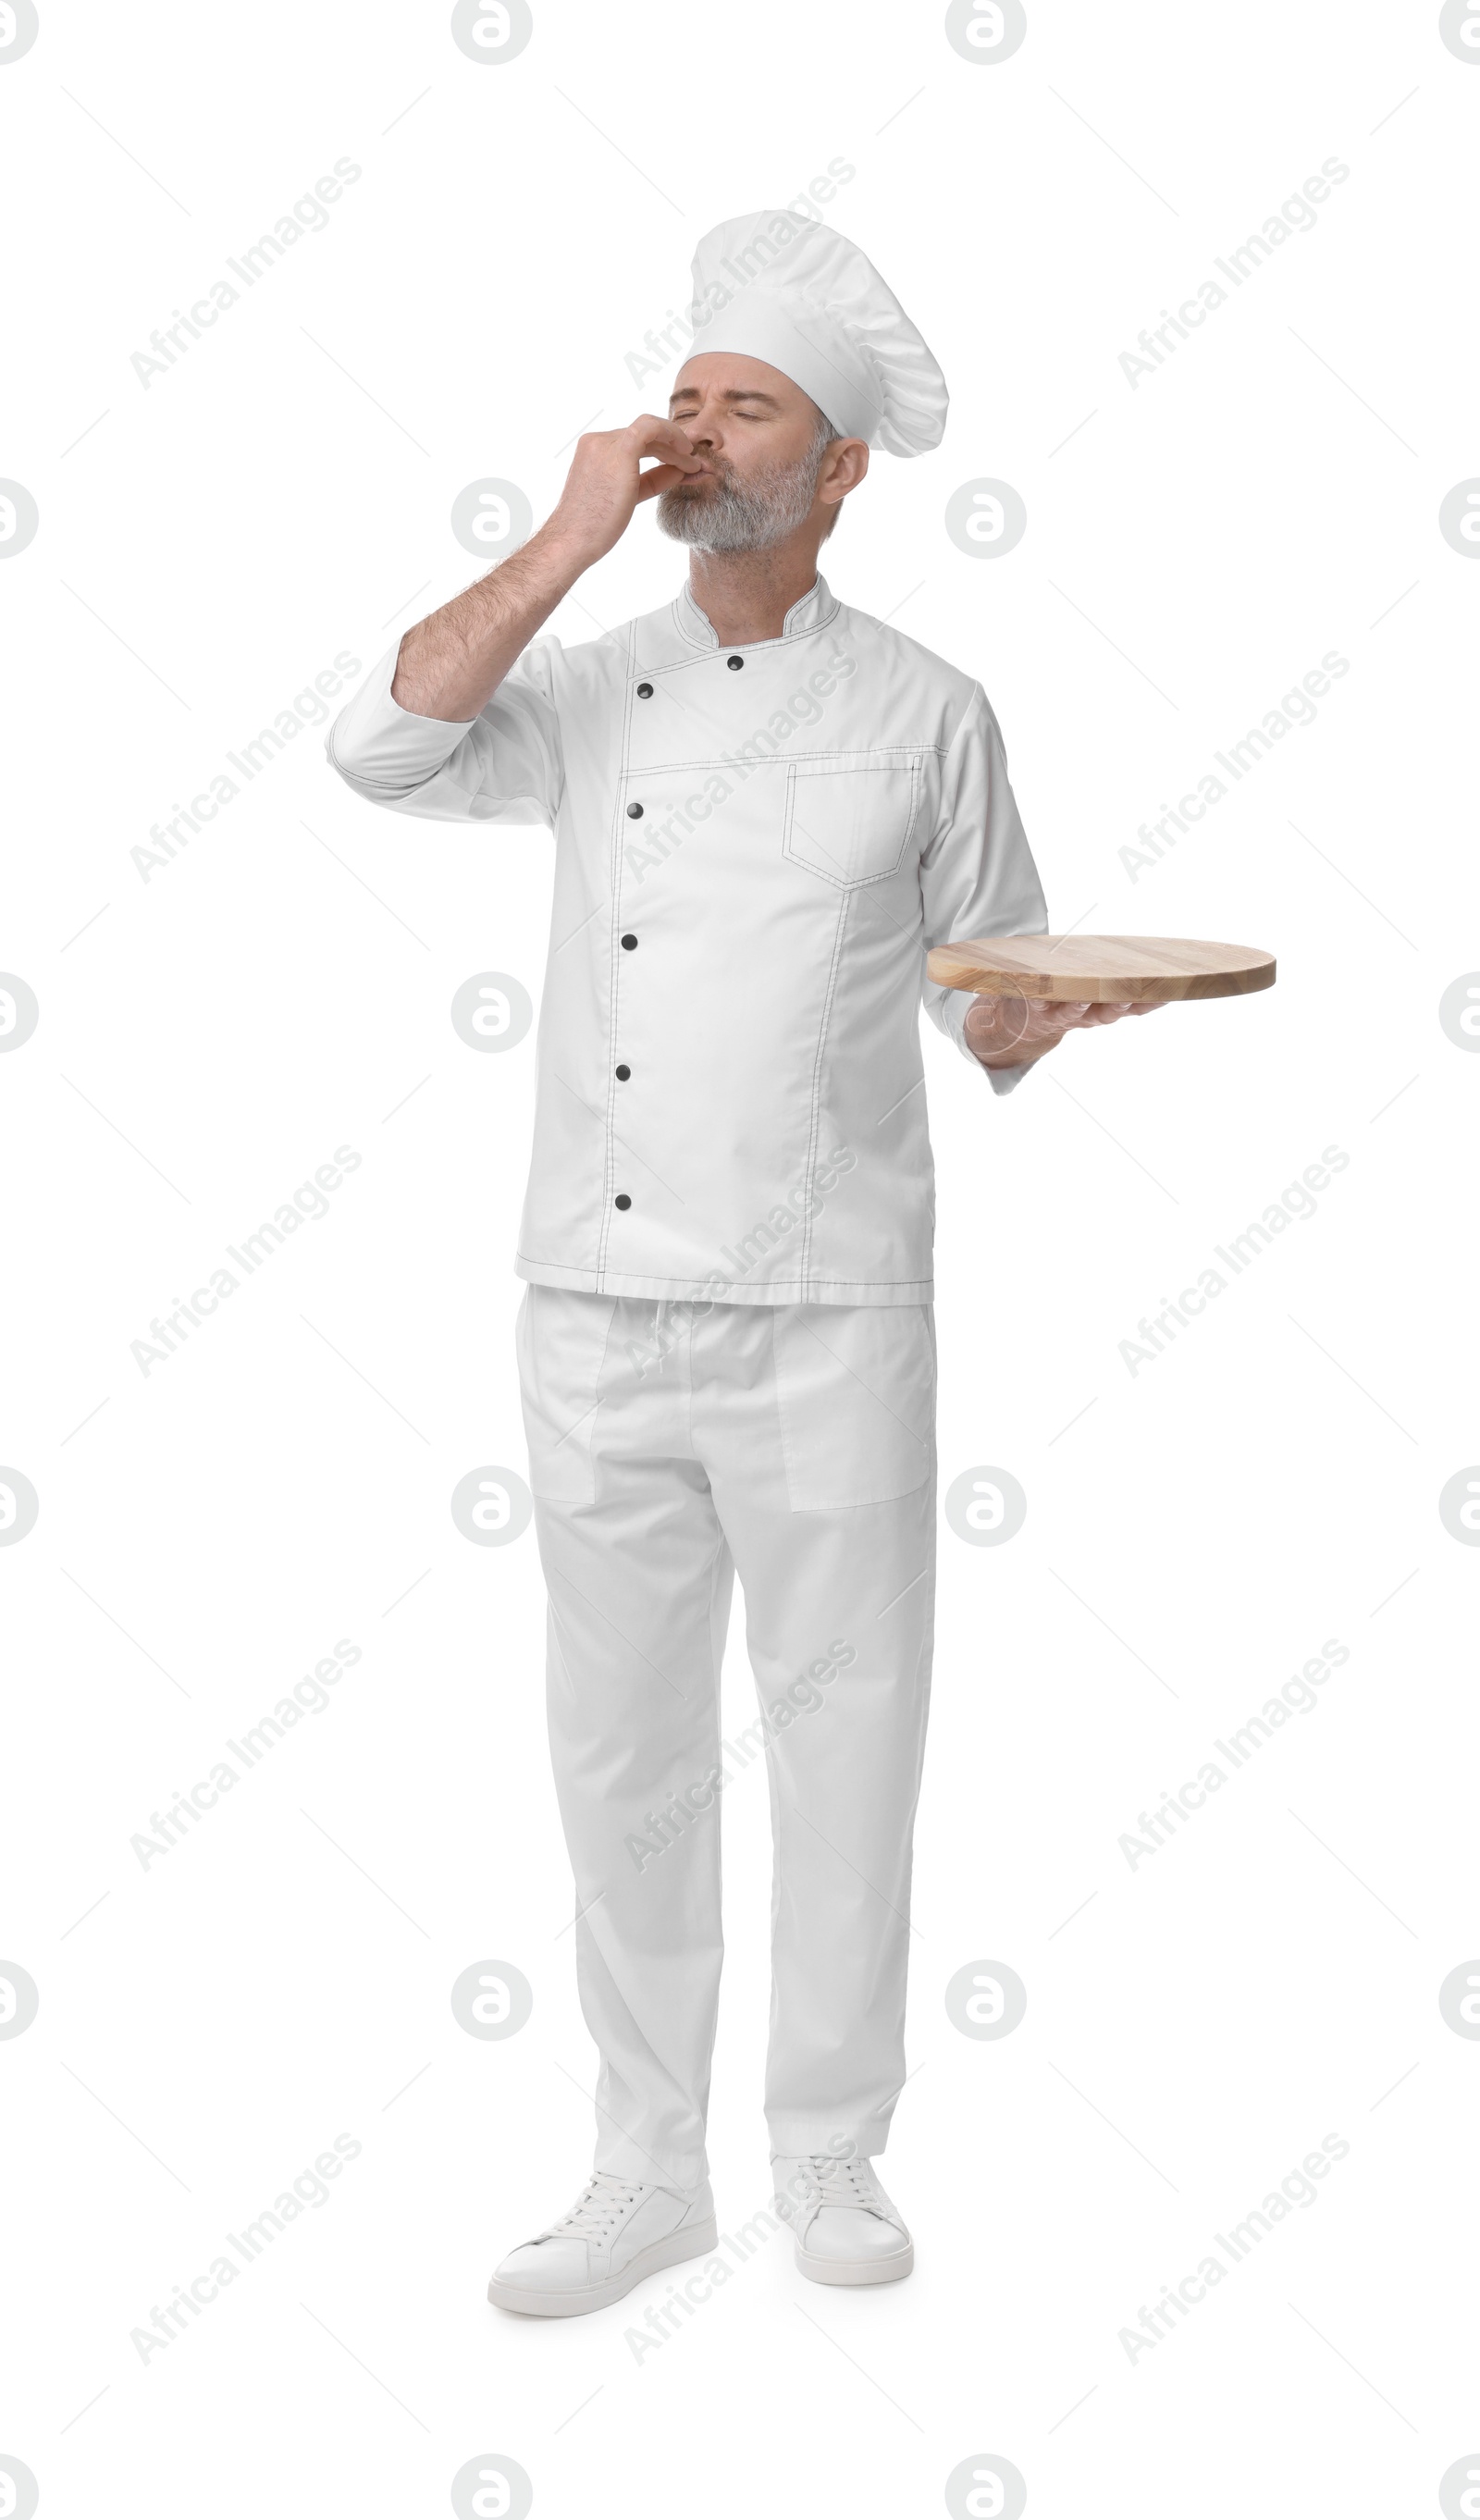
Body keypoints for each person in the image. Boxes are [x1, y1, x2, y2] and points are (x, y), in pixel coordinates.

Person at [327, 208, 1152, 2318]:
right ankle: (636, 2168)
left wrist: (1034, 1030)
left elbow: (991, 988)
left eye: (740, 402)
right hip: (591, 1307)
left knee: (846, 1726)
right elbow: (383, 743)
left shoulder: (932, 712)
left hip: (829, 1307)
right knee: (612, 1749)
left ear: (834, 466)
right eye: (682, 393)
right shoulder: (584, 683)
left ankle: (826, 2151)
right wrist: (560, 533)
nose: (690, 425)